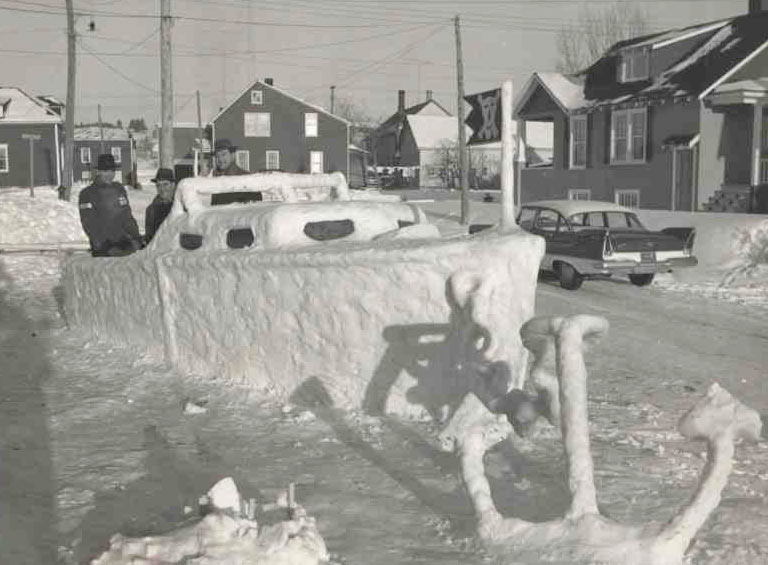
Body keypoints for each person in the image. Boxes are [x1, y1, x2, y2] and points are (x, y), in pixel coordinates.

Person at [78, 154, 142, 257]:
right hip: (104, 247)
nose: (109, 174)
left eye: (112, 171)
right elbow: (89, 223)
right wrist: (102, 246)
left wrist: (137, 237)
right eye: (105, 171)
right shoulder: (87, 193)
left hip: (124, 243)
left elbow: (127, 216)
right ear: (98, 172)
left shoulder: (119, 189)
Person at [144, 167, 176, 243]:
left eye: (165, 184)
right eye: (158, 185)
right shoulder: (151, 210)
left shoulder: (184, 206)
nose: (162, 189)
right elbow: (150, 238)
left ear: (173, 185)